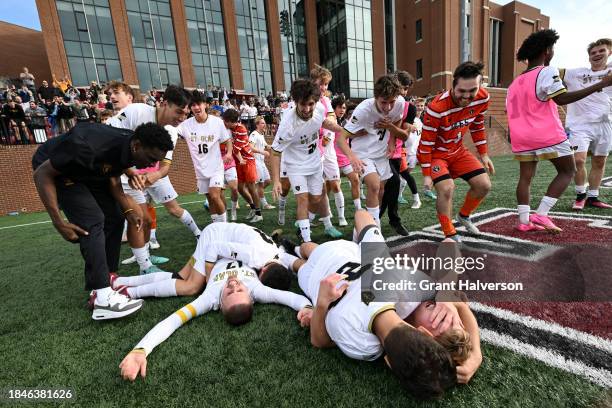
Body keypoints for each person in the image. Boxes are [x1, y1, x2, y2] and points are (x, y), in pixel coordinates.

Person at [286, 210, 461, 399]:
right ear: (388, 362)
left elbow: (361, 214)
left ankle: (289, 252)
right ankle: (291, 251)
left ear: (424, 332)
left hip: (335, 256)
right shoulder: (361, 345)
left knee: (306, 254)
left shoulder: (403, 287)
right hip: (320, 275)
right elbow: (319, 341)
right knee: (301, 261)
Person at [32, 122, 174, 320]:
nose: (151, 166)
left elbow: (112, 175)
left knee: (115, 218)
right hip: (56, 169)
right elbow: (41, 174)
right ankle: (102, 298)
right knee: (93, 220)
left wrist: (128, 209)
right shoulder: (87, 146)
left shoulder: (130, 144)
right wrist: (58, 222)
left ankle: (109, 279)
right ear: (137, 146)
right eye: (151, 159)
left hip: (87, 169)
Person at [119, 255, 312, 381]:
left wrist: (141, 349)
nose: (234, 283)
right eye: (240, 289)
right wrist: (307, 308)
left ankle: (122, 285)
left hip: (211, 255)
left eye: (230, 292)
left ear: (220, 304)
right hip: (243, 249)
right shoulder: (257, 290)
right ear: (251, 299)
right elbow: (292, 298)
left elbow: (174, 320)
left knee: (180, 279)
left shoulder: (209, 298)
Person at [507, 30, 612, 232]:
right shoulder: (546, 71)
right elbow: (561, 98)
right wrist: (602, 84)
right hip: (546, 133)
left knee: (525, 178)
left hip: (521, 136)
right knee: (568, 170)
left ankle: (523, 222)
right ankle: (541, 214)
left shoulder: (514, 83)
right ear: (547, 51)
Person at [107, 85, 200, 274]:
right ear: (164, 103)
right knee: (135, 219)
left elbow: (164, 166)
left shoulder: (172, 132)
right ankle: (143, 267)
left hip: (141, 177)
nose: (182, 118)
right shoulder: (136, 111)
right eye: (179, 112)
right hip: (119, 174)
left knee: (147, 220)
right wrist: (129, 172)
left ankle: (145, 255)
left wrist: (154, 175)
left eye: (186, 113)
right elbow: (109, 140)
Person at [110, 222, 295, 300]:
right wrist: (208, 278)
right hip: (213, 236)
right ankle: (129, 293)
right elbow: (214, 248)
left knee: (179, 276)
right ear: (262, 272)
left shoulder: (277, 255)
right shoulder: (255, 256)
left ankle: (118, 281)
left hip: (219, 231)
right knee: (192, 287)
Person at [417, 62, 494, 241]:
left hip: (458, 150)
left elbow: (477, 124)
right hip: (437, 155)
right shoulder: (436, 108)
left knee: (484, 185)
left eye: (472, 90)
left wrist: (483, 154)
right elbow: (426, 144)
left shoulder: (483, 97)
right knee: (446, 188)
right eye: (461, 91)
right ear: (453, 86)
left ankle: (464, 216)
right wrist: (427, 174)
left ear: (480, 86)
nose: (467, 96)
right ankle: (449, 232)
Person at [270, 79, 344, 243]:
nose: (307, 109)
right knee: (302, 199)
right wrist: (276, 181)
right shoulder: (288, 125)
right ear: (295, 102)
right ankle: (306, 239)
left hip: (314, 161)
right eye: (303, 104)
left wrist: (342, 130)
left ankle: (304, 225)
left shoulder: (318, 108)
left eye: (310, 104)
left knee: (317, 198)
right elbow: (274, 152)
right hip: (295, 166)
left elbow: (322, 122)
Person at [336, 74, 407, 233]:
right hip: (362, 153)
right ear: (375, 97)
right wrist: (352, 156)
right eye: (384, 102)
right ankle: (375, 232)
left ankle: (362, 229)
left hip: (381, 153)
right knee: (374, 185)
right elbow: (341, 138)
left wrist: (391, 141)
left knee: (380, 191)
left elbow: (397, 120)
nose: (388, 107)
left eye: (392, 102)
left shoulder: (400, 102)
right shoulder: (363, 109)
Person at [562, 38, 612, 210]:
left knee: (599, 162)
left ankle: (593, 197)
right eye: (593, 53)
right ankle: (580, 195)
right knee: (578, 160)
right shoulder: (575, 73)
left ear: (609, 53)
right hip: (579, 125)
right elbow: (551, 71)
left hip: (605, 124)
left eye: (601, 51)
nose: (597, 54)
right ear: (588, 57)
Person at [178, 91, 233, 223]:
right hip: (200, 170)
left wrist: (229, 153)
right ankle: (216, 225)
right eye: (192, 105)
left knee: (215, 196)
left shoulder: (217, 122)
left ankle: (224, 226)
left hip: (216, 167)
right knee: (210, 199)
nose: (196, 107)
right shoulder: (186, 125)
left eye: (198, 104)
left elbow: (227, 140)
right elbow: (172, 131)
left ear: (205, 105)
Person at [223, 108, 263, 223]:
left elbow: (235, 149)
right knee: (240, 188)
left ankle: (259, 213)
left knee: (251, 187)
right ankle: (253, 208)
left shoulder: (241, 129)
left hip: (247, 161)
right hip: (238, 162)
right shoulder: (230, 129)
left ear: (231, 121)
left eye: (226, 121)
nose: (224, 123)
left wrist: (229, 147)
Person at [249, 116, 275, 210]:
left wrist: (276, 147)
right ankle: (265, 204)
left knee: (268, 181)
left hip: (261, 162)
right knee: (260, 184)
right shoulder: (254, 134)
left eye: (264, 123)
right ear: (257, 125)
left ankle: (254, 195)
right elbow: (250, 147)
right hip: (255, 161)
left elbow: (266, 146)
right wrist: (262, 152)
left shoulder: (261, 134)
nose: (265, 125)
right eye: (262, 123)